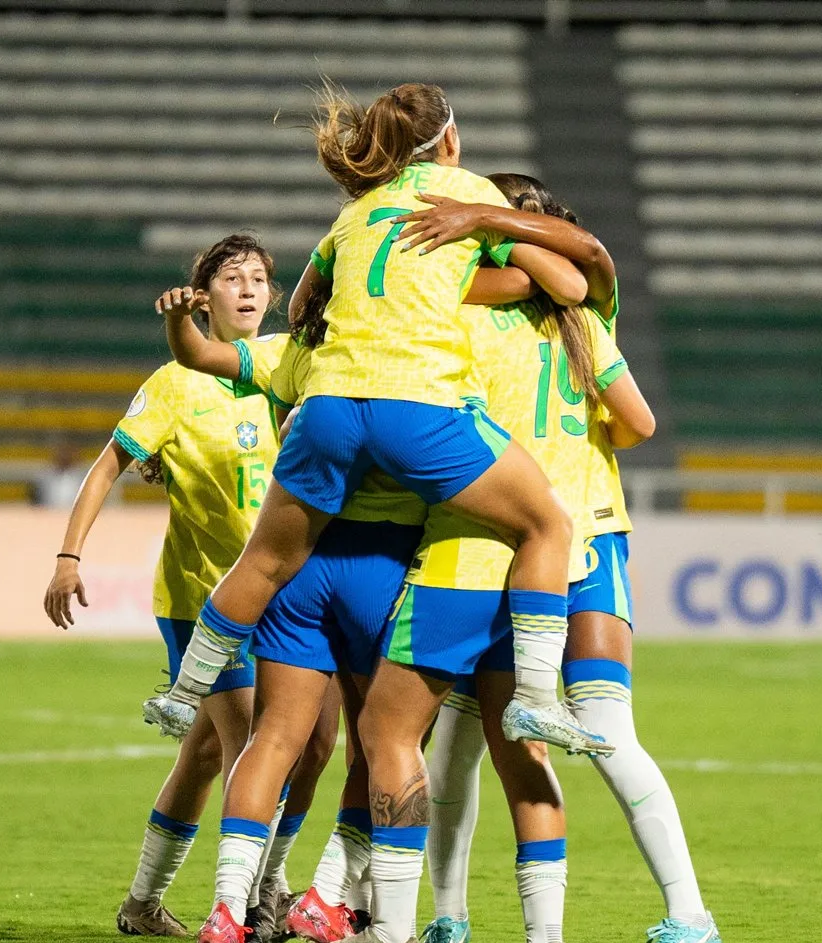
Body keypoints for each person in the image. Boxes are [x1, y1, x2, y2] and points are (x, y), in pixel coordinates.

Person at [141, 82, 609, 762]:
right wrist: (490, 223)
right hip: (416, 405)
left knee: (265, 559)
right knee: (545, 523)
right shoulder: (468, 191)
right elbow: (571, 281)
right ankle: (535, 699)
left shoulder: (354, 215)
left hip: (327, 405)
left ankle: (183, 694)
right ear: (449, 140)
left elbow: (303, 302)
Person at [298, 182, 632, 943]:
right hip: (541, 577)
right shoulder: (574, 323)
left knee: (385, 732)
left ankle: (392, 933)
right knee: (525, 759)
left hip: (460, 560)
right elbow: (584, 280)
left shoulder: (447, 318)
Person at [400, 174, 723, 943]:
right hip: (589, 537)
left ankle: (449, 922)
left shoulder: (465, 319)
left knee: (460, 745)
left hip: (497, 545)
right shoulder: (581, 320)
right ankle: (668, 917)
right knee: (579, 732)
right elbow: (639, 423)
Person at [41, 233, 322, 936]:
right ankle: (264, 895)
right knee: (251, 742)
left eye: (259, 276)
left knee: (207, 752)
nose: (251, 288)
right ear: (205, 296)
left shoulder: (291, 364)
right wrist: (69, 557)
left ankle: (142, 904)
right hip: (204, 597)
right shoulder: (175, 383)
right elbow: (108, 465)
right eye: (233, 278)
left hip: (286, 594)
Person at [30, 438, 87, 509]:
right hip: (47, 515)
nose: (65, 456)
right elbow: (35, 501)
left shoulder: (83, 476)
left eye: (68, 453)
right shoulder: (44, 476)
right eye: (62, 452)